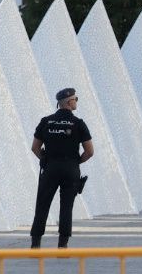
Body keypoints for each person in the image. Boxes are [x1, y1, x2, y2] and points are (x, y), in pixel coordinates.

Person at [30, 87, 94, 249]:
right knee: (67, 207)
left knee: (42, 204)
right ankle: (62, 245)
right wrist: (76, 162)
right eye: (75, 99)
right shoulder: (78, 123)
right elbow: (89, 151)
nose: (77, 101)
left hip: (50, 167)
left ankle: (35, 245)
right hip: (70, 168)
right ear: (69, 102)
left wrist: (45, 159)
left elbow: (35, 148)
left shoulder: (46, 121)